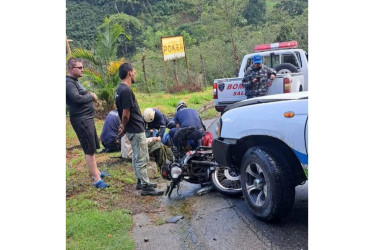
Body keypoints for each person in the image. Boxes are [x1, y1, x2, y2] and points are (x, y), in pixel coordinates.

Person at [115, 62, 163, 196]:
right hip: (135, 129)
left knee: (137, 156)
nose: (135, 74)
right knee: (142, 157)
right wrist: (123, 126)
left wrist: (123, 127)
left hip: (131, 129)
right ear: (129, 72)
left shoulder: (118, 90)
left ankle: (140, 181)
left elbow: (122, 113)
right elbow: (125, 113)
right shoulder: (126, 90)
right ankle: (146, 187)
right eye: (134, 72)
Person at [66, 58, 109, 189]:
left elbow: (81, 95)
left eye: (82, 67)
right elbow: (77, 98)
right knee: (89, 149)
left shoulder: (75, 82)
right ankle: (96, 179)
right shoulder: (68, 83)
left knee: (91, 146)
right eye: (79, 67)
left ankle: (96, 172)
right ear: (70, 69)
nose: (82, 69)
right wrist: (91, 97)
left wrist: (89, 94)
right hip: (81, 119)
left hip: (87, 118)